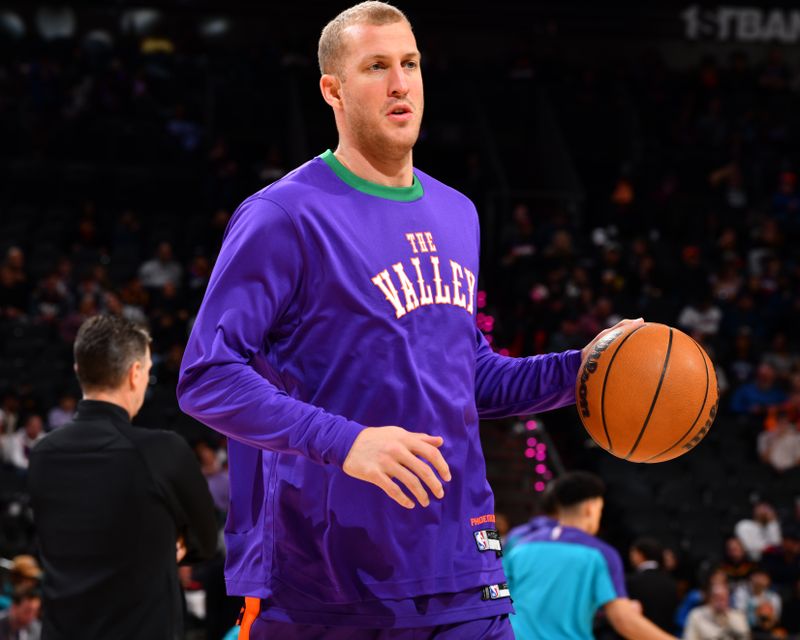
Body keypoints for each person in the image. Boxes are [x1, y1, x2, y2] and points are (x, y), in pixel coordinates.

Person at [177, 2, 641, 637]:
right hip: (327, 575)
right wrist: (348, 442)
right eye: (376, 66)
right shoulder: (282, 216)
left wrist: (586, 368)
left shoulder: (460, 213)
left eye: (410, 63)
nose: (400, 83)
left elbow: (468, 376)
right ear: (332, 90)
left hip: (462, 564)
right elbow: (207, 376)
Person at [28, 314, 218, 639]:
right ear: (135, 374)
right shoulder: (163, 451)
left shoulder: (43, 453)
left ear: (79, 372)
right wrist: (173, 543)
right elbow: (207, 542)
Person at [503, 472, 676, 639]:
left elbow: (503, 602)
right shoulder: (601, 553)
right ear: (589, 509)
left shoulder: (520, 546)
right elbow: (623, 620)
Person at [627, 537, 680, 633]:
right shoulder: (671, 582)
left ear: (640, 554)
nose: (631, 557)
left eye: (633, 553)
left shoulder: (632, 581)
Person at [682, 582, 750, 640]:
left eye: (723, 598)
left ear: (728, 599)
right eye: (717, 597)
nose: (720, 601)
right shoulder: (696, 615)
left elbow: (745, 636)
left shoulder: (738, 616)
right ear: (710, 598)